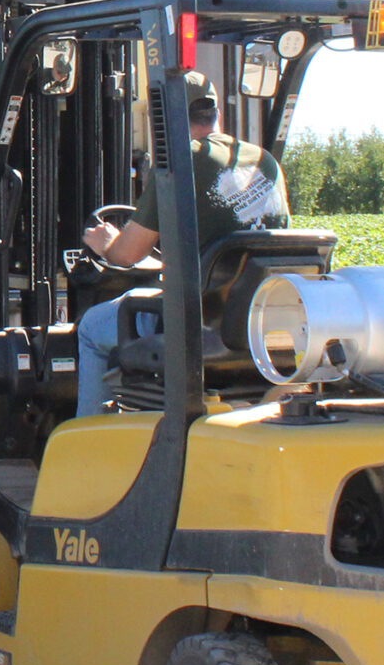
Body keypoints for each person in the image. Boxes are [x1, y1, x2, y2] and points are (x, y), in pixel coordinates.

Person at [73, 71, 291, 417]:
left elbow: (128, 255)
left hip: (200, 324)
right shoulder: (265, 160)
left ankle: (86, 446)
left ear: (165, 112)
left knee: (90, 328)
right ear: (215, 111)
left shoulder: (181, 160)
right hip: (265, 320)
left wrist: (106, 243)